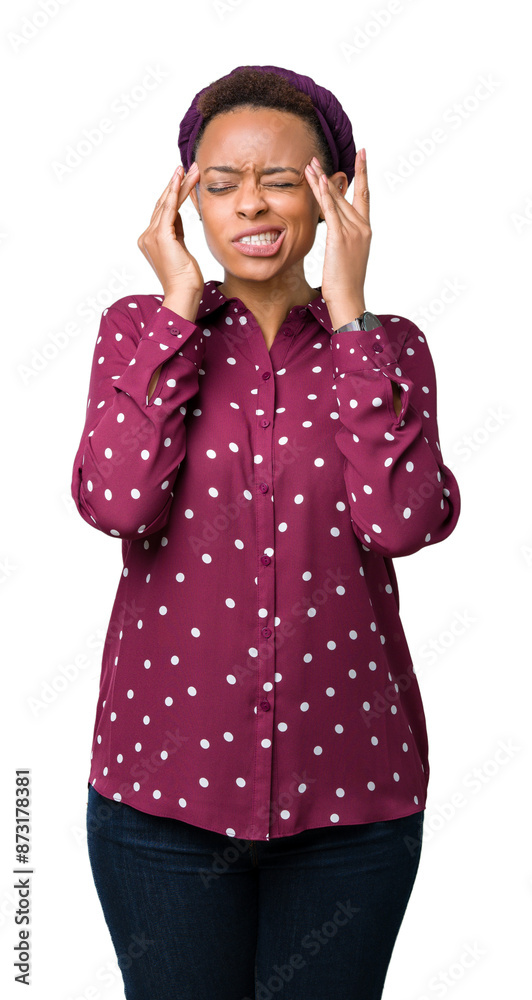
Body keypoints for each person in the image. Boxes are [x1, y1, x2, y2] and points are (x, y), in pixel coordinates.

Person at [72, 65, 461, 1000]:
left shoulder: (389, 344)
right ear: (186, 201)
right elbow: (117, 503)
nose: (251, 202)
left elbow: (403, 521)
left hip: (352, 800)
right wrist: (174, 304)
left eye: (282, 180)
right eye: (220, 182)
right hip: (161, 805)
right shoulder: (138, 330)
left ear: (331, 196)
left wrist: (352, 309)